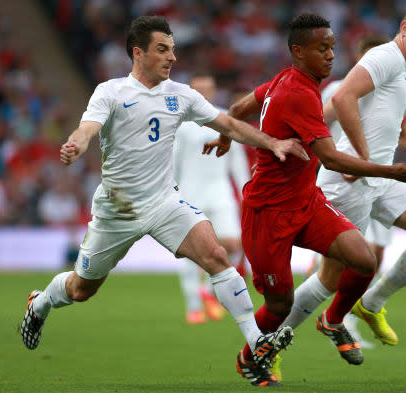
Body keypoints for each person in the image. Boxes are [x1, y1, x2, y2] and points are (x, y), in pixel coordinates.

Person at [19, 15, 310, 372]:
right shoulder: (111, 92)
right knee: (81, 289)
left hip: (164, 202)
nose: (171, 57)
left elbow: (229, 124)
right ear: (138, 53)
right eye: (162, 50)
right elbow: (87, 128)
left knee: (217, 256)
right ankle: (42, 302)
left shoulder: (181, 95)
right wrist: (77, 145)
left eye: (172, 50)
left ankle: (256, 343)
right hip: (118, 210)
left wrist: (273, 142)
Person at [204, 13, 406, 386]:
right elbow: (332, 159)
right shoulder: (297, 94)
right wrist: (391, 171)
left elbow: (242, 106)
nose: (330, 56)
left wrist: (228, 134)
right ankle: (249, 358)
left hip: (306, 203)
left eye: (332, 47)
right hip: (268, 214)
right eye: (321, 48)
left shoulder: (288, 80)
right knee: (280, 305)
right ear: (298, 51)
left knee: (362, 259)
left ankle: (335, 319)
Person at [281, 5, 406, 363]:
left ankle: (371, 303)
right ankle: (270, 342)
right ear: (405, 27)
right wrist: (361, 159)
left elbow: (332, 111)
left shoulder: (400, 71)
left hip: (379, 176)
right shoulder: (385, 56)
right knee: (329, 279)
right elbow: (343, 98)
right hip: (350, 181)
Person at [310, 34, 406, 349]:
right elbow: (318, 125)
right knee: (344, 261)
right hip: (346, 179)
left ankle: (352, 312)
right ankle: (340, 319)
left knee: (373, 256)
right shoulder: (340, 90)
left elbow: (394, 136)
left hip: (379, 179)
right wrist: (343, 158)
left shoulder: (391, 89)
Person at [173, 73, 250, 324]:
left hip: (219, 192)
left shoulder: (225, 118)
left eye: (208, 89)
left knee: (234, 246)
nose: (204, 94)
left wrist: (245, 190)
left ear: (215, 90)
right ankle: (193, 305)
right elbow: (173, 163)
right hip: (190, 193)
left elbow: (237, 162)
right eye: (199, 90)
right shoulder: (181, 123)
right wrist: (170, 192)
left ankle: (207, 289)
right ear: (191, 93)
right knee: (190, 252)